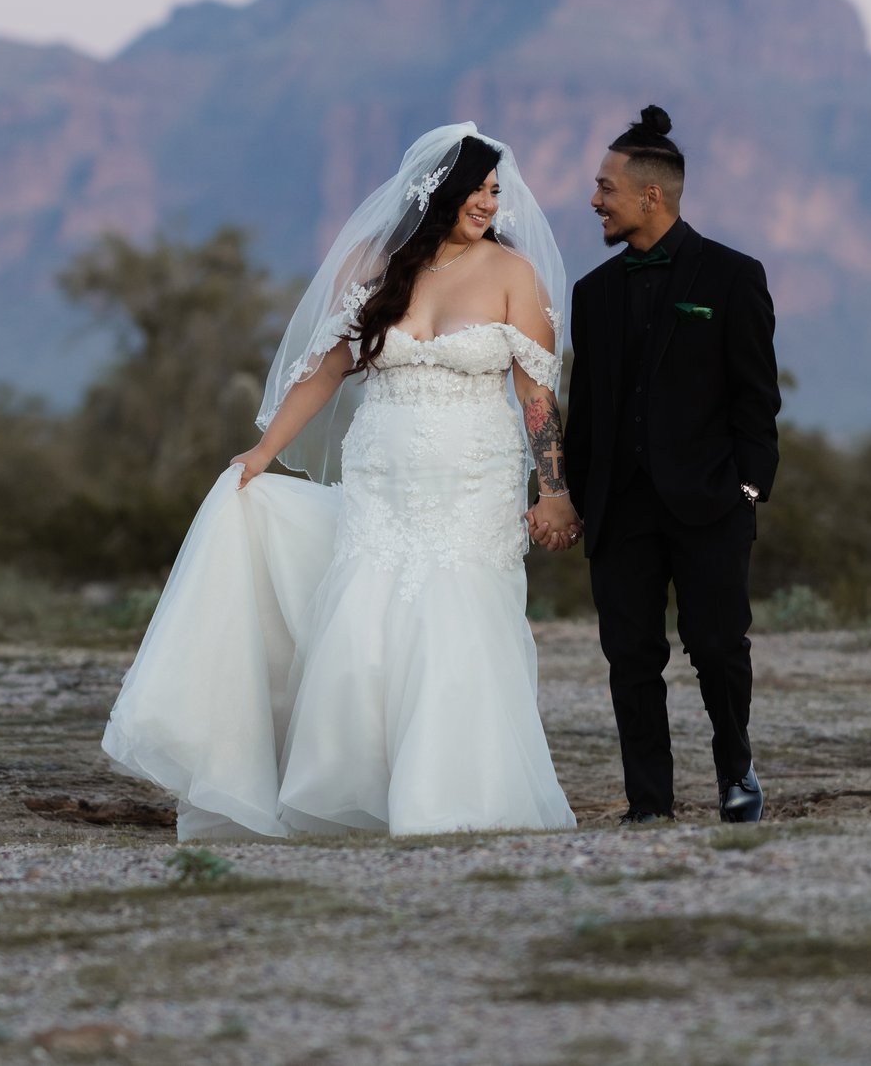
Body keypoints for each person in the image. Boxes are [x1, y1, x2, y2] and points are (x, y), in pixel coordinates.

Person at [100, 123, 579, 837]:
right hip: (382, 476)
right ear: (437, 188)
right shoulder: (374, 263)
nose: (490, 202)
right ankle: (356, 792)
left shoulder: (514, 275)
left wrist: (553, 488)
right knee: (363, 623)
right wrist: (264, 452)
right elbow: (325, 369)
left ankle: (458, 795)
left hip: (471, 476)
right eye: (478, 188)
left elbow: (536, 396)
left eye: (495, 191)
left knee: (461, 614)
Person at [541, 105, 780, 824]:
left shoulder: (735, 276)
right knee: (631, 659)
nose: (594, 200)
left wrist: (747, 486)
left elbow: (757, 397)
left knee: (716, 646)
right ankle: (649, 801)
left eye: (604, 187)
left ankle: (736, 769)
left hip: (710, 500)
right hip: (621, 508)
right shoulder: (593, 292)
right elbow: (586, 407)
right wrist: (579, 496)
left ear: (651, 195)